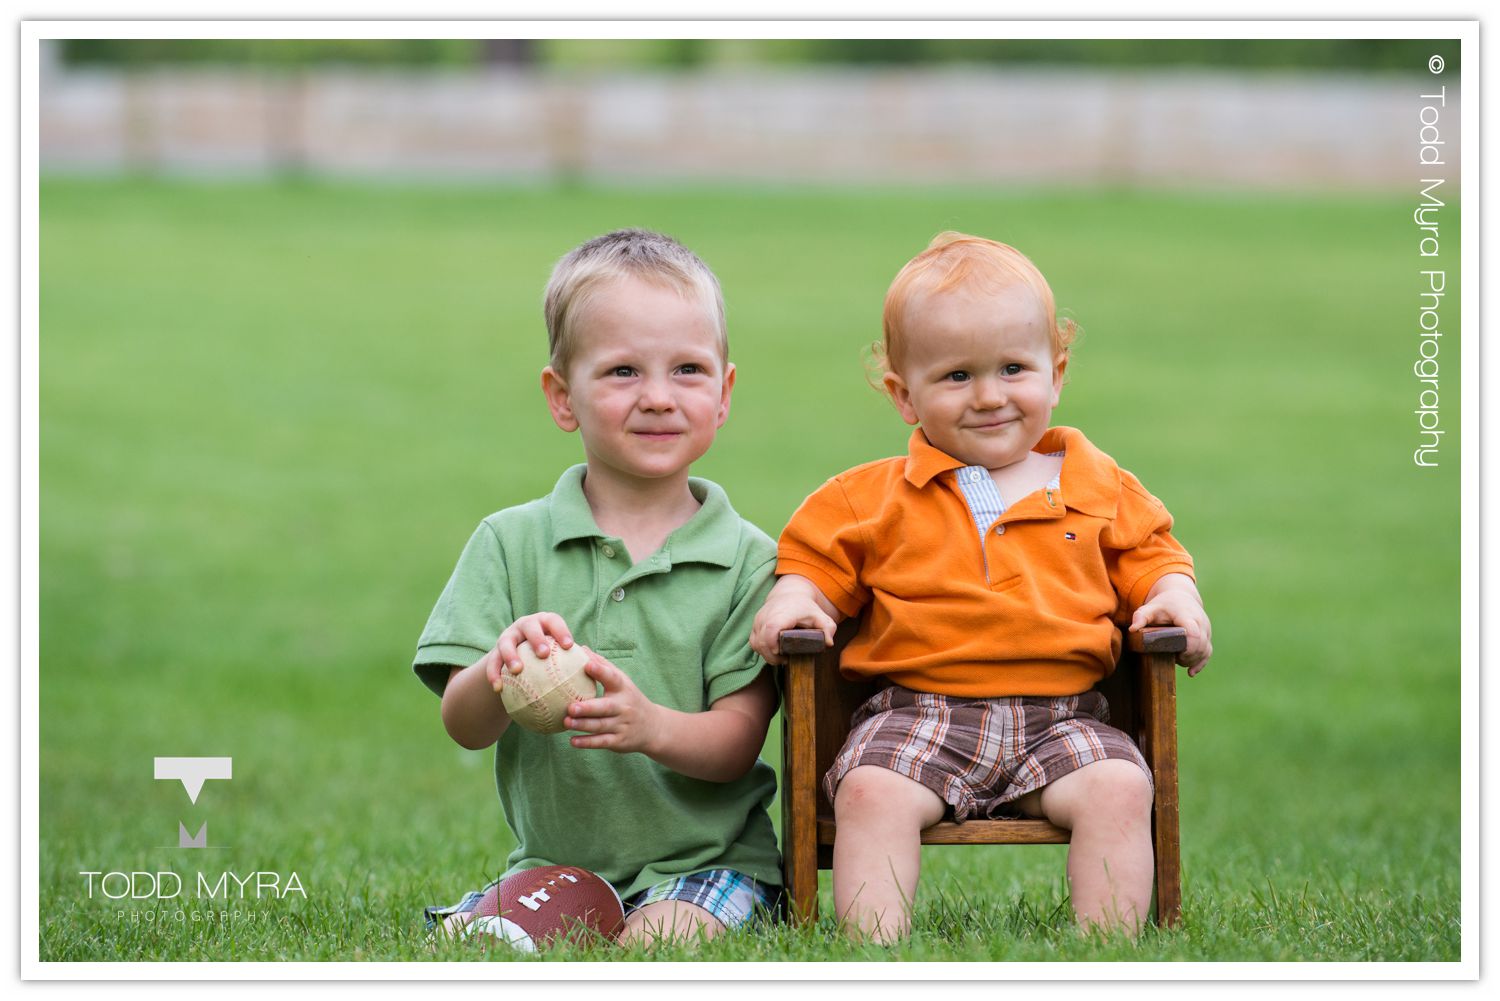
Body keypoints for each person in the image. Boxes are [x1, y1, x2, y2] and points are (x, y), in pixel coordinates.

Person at [750, 231, 1212, 942]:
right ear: (905, 396)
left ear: (1056, 373)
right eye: (957, 377)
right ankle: (872, 953)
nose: (990, 396)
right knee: (871, 789)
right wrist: (793, 601)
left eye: (1013, 368)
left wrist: (1176, 599)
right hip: (916, 713)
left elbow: (1156, 560)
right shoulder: (867, 497)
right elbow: (811, 566)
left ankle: (1109, 955)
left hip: (1066, 716)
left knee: (1121, 785)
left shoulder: (1100, 486)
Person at [415, 229, 783, 947]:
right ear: (562, 397)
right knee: (465, 946)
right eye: (621, 372)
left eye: (687, 370)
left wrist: (652, 726)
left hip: (707, 863)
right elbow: (465, 725)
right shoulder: (510, 543)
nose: (657, 398)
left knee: (651, 945)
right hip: (560, 865)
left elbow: (739, 741)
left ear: (724, 391)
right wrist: (498, 668)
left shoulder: (748, 561)